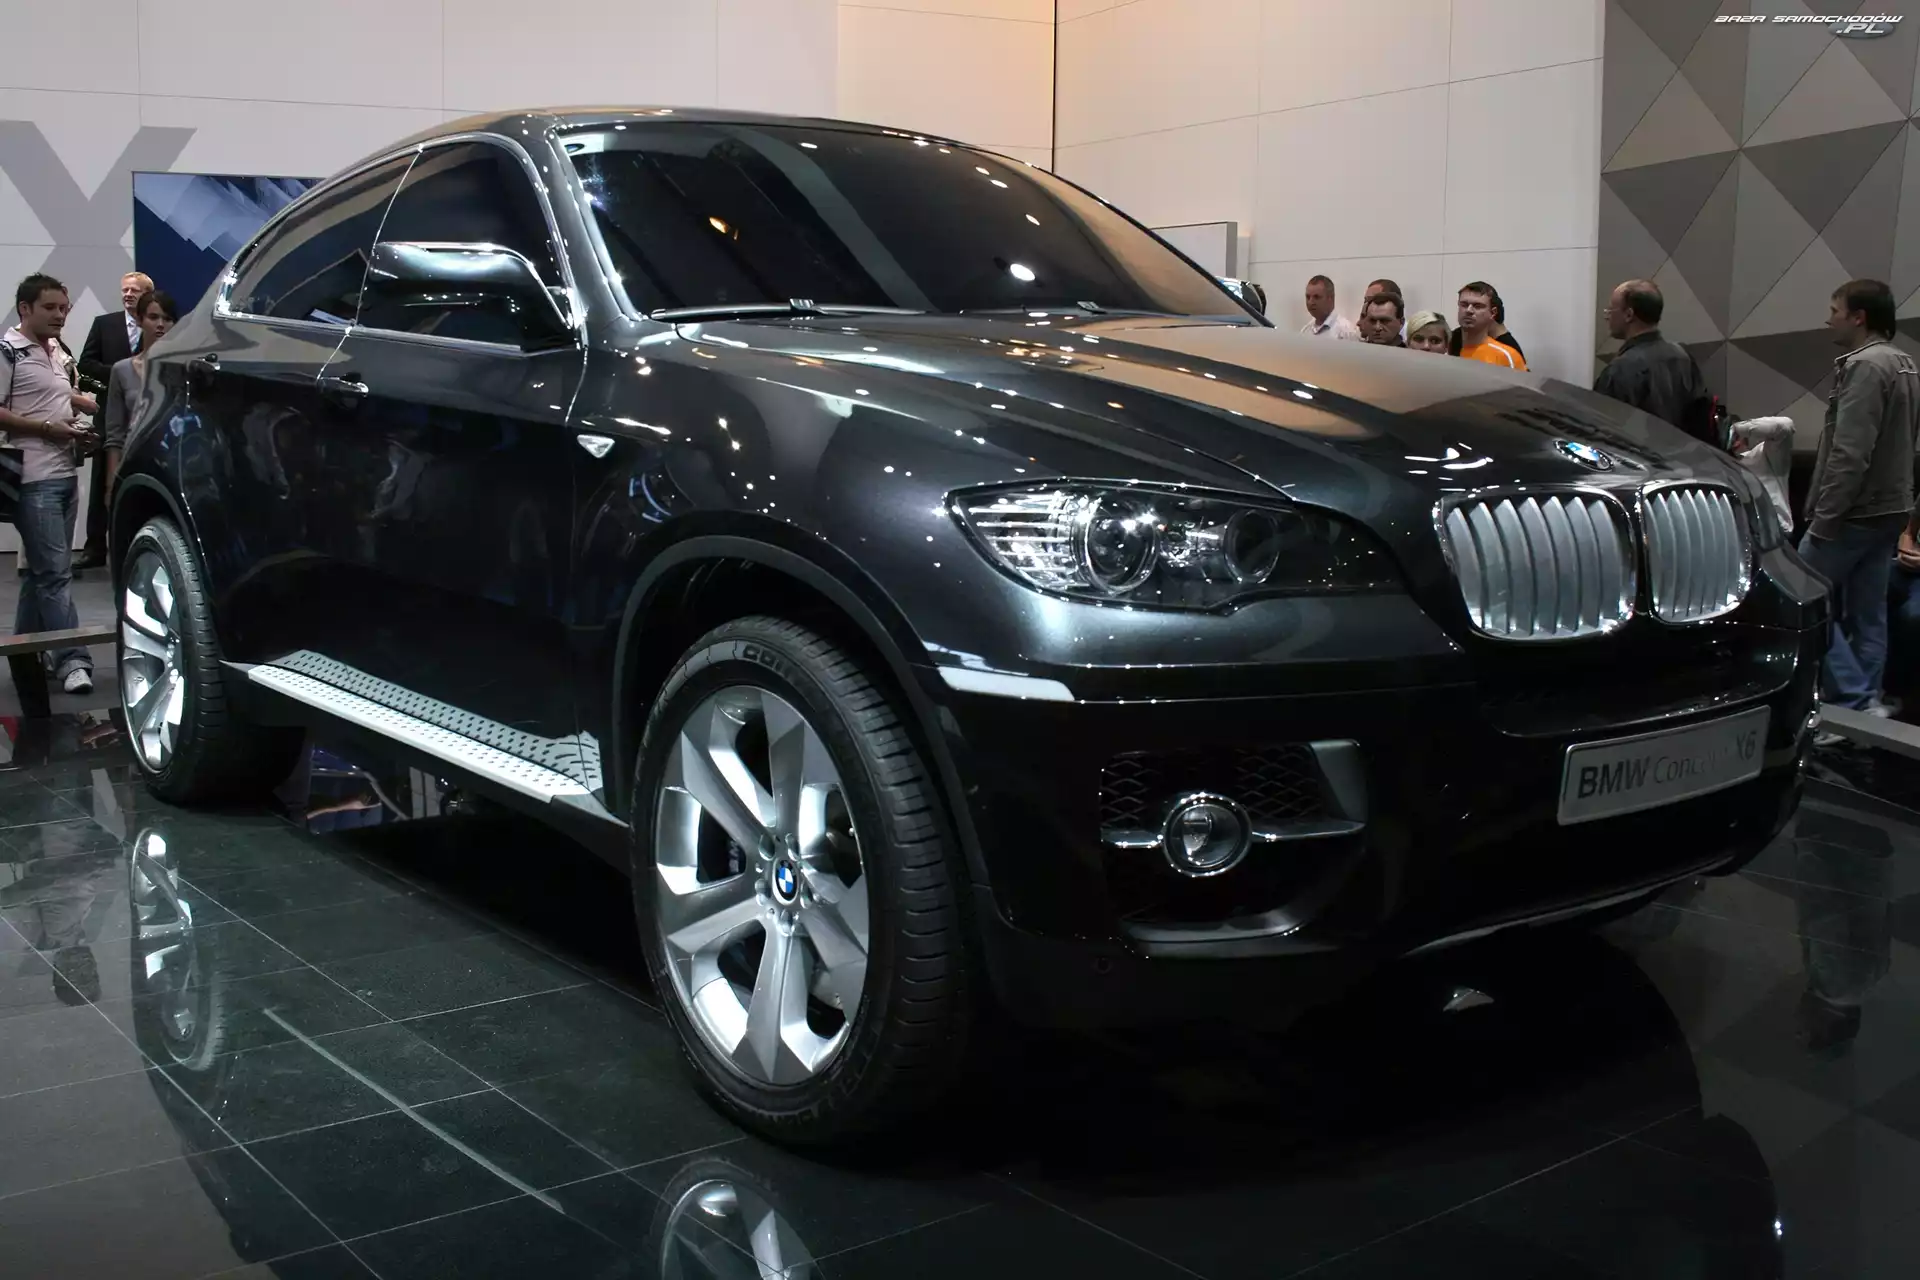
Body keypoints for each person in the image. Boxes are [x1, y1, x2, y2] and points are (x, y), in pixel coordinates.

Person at [1800, 279, 1917, 717]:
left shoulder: (1865, 366)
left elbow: (1850, 455)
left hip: (1854, 512)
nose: (1828, 318)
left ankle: (1852, 700)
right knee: (1869, 614)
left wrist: (1824, 518)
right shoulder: (1904, 363)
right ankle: (1866, 712)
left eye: (1835, 310)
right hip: (1891, 508)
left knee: (1800, 598)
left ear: (1858, 316)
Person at [0, 274, 99, 694]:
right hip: (32, 476)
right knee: (56, 574)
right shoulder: (7, 352)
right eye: (50, 308)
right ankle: (72, 659)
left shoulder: (57, 351)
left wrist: (78, 422)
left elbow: (54, 399)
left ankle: (23, 652)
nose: (60, 315)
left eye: (63, 308)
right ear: (25, 309)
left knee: (40, 574)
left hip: (64, 474)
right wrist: (46, 429)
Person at [76, 271, 151, 571]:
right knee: (101, 483)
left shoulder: (157, 326)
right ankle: (95, 547)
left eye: (135, 290)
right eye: (125, 290)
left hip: (146, 414)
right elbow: (86, 364)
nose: (128, 295)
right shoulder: (104, 324)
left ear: (147, 295)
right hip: (110, 412)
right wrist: (122, 374)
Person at [1594, 279, 1716, 444]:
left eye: (1611, 310)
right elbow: (1701, 421)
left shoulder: (1619, 371)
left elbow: (1603, 435)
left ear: (1629, 315)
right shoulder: (1683, 356)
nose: (1607, 316)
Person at [103, 289, 177, 500]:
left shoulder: (184, 370)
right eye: (153, 317)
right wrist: (111, 483)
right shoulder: (121, 370)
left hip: (173, 468)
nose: (160, 324)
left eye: (167, 319)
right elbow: (115, 434)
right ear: (139, 320)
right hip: (132, 469)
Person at [1455, 282, 1527, 370]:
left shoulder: (1506, 356)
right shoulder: (1446, 349)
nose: (1469, 310)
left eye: (1477, 306)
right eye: (1464, 305)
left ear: (1493, 313)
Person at [1300, 275, 1359, 340]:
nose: (1310, 302)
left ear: (1330, 298)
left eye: (1316, 297)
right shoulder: (1305, 331)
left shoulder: (1346, 331)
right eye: (1308, 297)